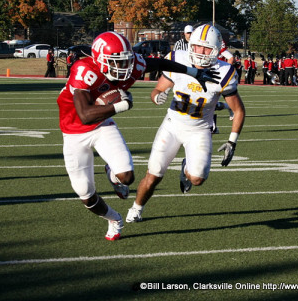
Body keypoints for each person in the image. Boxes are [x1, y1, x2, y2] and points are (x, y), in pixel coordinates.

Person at [56, 31, 219, 240]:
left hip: (102, 125)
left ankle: (113, 174)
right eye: (117, 62)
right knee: (85, 194)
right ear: (99, 59)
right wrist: (119, 106)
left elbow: (160, 63)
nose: (123, 67)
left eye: (126, 61)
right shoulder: (84, 70)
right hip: (74, 132)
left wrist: (193, 72)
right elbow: (85, 115)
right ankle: (114, 219)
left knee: (127, 176)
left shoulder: (132, 64)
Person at [125, 24, 246, 223]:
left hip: (199, 130)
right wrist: (157, 97)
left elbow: (239, 110)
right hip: (172, 125)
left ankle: (186, 168)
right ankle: (137, 208)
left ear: (216, 51)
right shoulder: (178, 59)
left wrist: (232, 141)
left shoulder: (224, 72)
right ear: (191, 45)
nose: (201, 52)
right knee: (154, 174)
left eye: (207, 48)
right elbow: (156, 91)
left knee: (197, 179)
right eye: (197, 46)